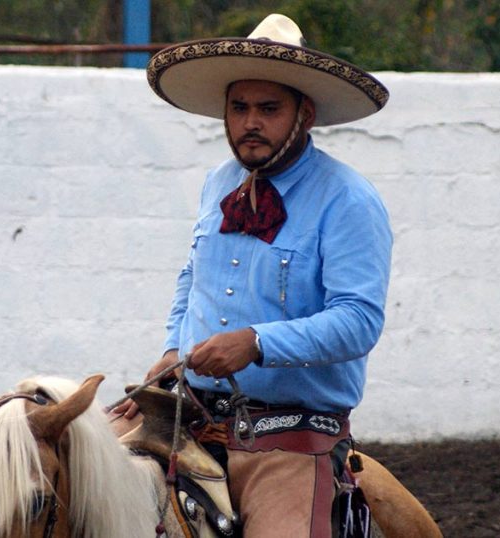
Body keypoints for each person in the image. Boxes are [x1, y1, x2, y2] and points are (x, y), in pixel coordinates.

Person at [115, 13, 392, 537]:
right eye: (239, 108)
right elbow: (190, 277)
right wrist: (176, 346)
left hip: (292, 433)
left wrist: (255, 343)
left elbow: (359, 321)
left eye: (268, 109)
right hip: (189, 412)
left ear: (303, 115)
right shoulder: (217, 183)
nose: (250, 123)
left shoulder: (348, 200)